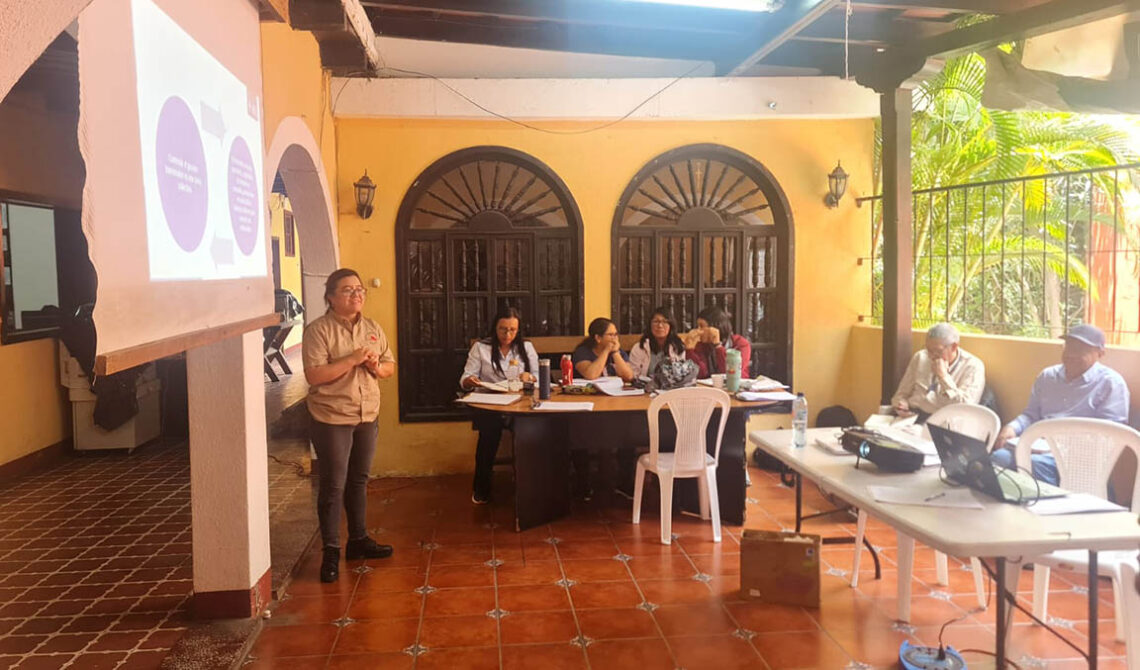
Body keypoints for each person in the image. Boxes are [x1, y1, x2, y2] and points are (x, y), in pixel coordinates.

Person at [303, 268, 396, 583]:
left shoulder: (372, 327)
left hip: (367, 414)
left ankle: (358, 540)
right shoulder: (319, 331)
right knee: (333, 484)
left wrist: (375, 366)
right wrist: (352, 360)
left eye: (359, 289)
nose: (356, 294)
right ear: (330, 297)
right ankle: (331, 550)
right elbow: (314, 375)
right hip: (332, 417)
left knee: (359, 479)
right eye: (347, 290)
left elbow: (389, 366)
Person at [992, 324, 1130, 484]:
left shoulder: (1110, 383)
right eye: (1069, 346)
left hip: (1079, 457)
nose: (1071, 354)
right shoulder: (1047, 376)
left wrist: (1062, 446)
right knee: (998, 458)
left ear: (1100, 353)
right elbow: (1031, 415)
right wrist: (1012, 428)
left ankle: (1049, 501)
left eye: (1081, 349)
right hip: (1039, 446)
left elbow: (1111, 435)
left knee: (1035, 465)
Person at [460, 307, 539, 504]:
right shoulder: (481, 348)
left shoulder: (526, 347)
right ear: (495, 328)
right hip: (490, 403)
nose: (507, 335)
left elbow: (537, 376)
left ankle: (529, 485)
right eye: (503, 329)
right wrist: (470, 381)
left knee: (531, 429)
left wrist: (529, 377)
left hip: (519, 403)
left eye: (513, 330)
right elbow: (466, 378)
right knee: (489, 433)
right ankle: (482, 487)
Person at [891, 322, 986, 422]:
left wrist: (943, 377)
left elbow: (966, 407)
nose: (931, 356)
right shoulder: (921, 357)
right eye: (928, 350)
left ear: (954, 347)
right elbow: (900, 394)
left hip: (944, 422)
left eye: (937, 351)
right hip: (912, 416)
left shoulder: (973, 366)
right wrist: (901, 405)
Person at [683, 306, 751, 379]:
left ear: (715, 328)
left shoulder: (741, 344)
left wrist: (718, 346)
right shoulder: (702, 345)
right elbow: (701, 374)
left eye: (701, 326)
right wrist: (689, 350)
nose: (698, 331)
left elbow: (730, 372)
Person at [628, 307, 688, 378]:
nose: (660, 325)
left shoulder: (678, 347)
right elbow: (634, 375)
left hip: (672, 384)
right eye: (656, 322)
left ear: (671, 325)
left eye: (664, 322)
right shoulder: (639, 348)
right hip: (645, 384)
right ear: (650, 325)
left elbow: (682, 374)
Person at [573, 317, 635, 382]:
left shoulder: (619, 352)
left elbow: (629, 376)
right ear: (598, 338)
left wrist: (615, 352)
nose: (615, 339)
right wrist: (606, 351)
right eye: (611, 335)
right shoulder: (582, 352)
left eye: (616, 334)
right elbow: (591, 375)